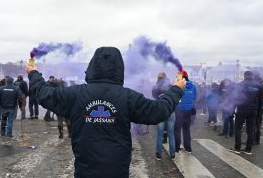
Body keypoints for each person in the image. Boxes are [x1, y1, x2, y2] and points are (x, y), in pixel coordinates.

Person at [26, 47, 186, 178]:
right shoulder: (128, 96)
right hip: (117, 170)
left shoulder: (76, 94)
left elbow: (44, 94)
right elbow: (159, 111)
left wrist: (33, 73)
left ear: (92, 67)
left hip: (85, 170)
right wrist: (176, 90)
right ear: (119, 69)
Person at [230, 71, 263, 155]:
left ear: (245, 76)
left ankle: (237, 148)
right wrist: (258, 113)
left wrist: (232, 110)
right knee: (250, 130)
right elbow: (261, 101)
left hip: (242, 109)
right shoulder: (259, 86)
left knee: (237, 128)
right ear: (252, 76)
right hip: (253, 110)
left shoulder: (240, 85)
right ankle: (248, 149)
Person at [152, 72, 175, 160]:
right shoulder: (171, 86)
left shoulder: (156, 87)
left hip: (160, 111)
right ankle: (172, 154)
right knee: (171, 133)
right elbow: (177, 98)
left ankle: (158, 154)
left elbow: (154, 97)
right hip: (171, 111)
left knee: (160, 133)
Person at [174, 70, 197, 153]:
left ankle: (177, 148)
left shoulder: (180, 86)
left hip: (180, 110)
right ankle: (188, 148)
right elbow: (194, 97)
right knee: (187, 129)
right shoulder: (193, 86)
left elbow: (176, 97)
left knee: (177, 129)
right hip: (189, 110)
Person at [253, 72, 263, 145]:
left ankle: (254, 140)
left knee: (253, 124)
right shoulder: (261, 85)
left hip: (255, 107)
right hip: (260, 107)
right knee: (258, 124)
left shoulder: (256, 85)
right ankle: (257, 140)